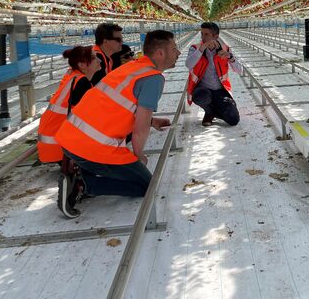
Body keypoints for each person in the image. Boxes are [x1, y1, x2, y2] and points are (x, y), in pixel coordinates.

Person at [54, 30, 181, 218]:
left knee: (130, 172)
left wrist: (152, 121)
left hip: (69, 139)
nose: (178, 52)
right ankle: (84, 185)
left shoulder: (133, 67)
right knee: (147, 186)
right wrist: (138, 155)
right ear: (160, 53)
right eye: (174, 48)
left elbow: (117, 106)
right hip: (92, 147)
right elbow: (139, 128)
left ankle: (81, 170)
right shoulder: (153, 78)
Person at [37, 46, 100, 164]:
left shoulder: (72, 76)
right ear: (82, 64)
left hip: (51, 146)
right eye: (93, 58)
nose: (98, 60)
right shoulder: (82, 82)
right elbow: (85, 118)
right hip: (61, 149)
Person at [186, 22, 242, 127]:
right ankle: (210, 111)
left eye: (206, 34)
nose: (203, 37)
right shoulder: (195, 48)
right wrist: (202, 48)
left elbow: (239, 70)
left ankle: (213, 112)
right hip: (203, 89)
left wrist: (230, 57)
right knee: (201, 97)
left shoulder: (225, 49)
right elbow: (188, 64)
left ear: (216, 36)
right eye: (202, 34)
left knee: (233, 119)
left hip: (220, 90)